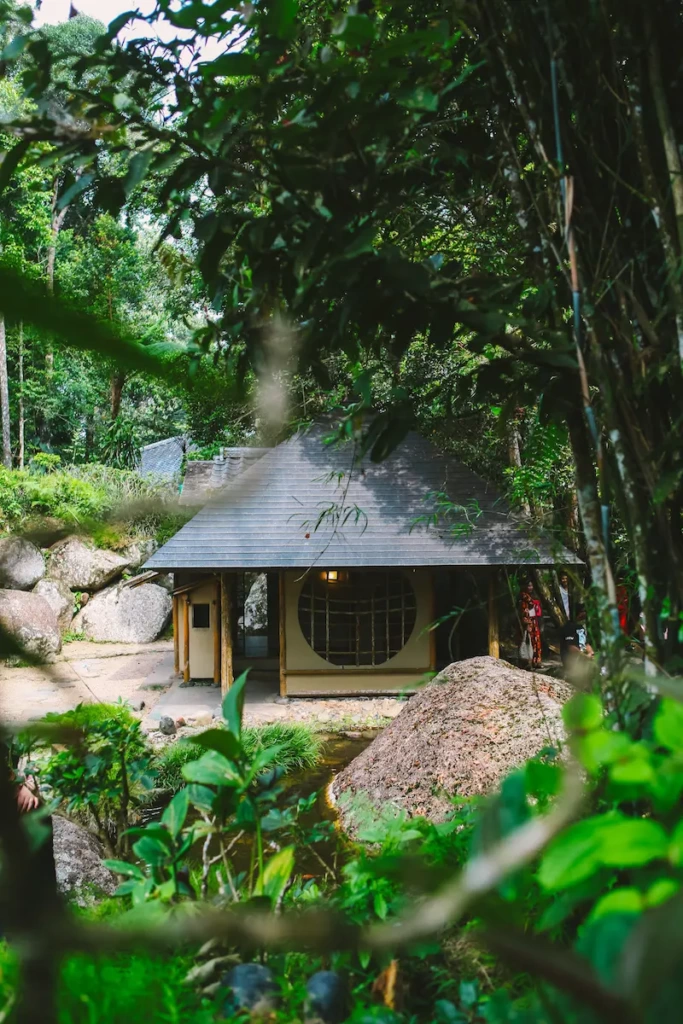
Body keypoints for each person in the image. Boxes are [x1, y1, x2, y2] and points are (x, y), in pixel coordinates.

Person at [520, 578, 543, 669]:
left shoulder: (534, 596)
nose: (530, 587)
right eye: (528, 586)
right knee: (528, 641)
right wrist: (526, 623)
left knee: (536, 641)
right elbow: (523, 611)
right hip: (527, 621)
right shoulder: (523, 597)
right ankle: (527, 662)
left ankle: (536, 661)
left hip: (534, 621)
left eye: (531, 586)